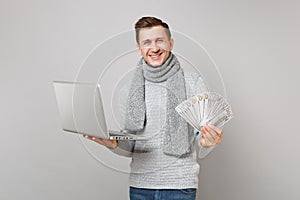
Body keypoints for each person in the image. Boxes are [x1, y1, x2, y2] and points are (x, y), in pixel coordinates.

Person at [84, 16, 223, 200]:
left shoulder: (192, 82)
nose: (154, 48)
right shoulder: (129, 89)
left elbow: (202, 137)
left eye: (160, 41)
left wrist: (206, 142)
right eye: (147, 42)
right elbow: (132, 143)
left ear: (170, 43)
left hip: (180, 186)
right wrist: (114, 144)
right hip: (140, 186)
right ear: (139, 48)